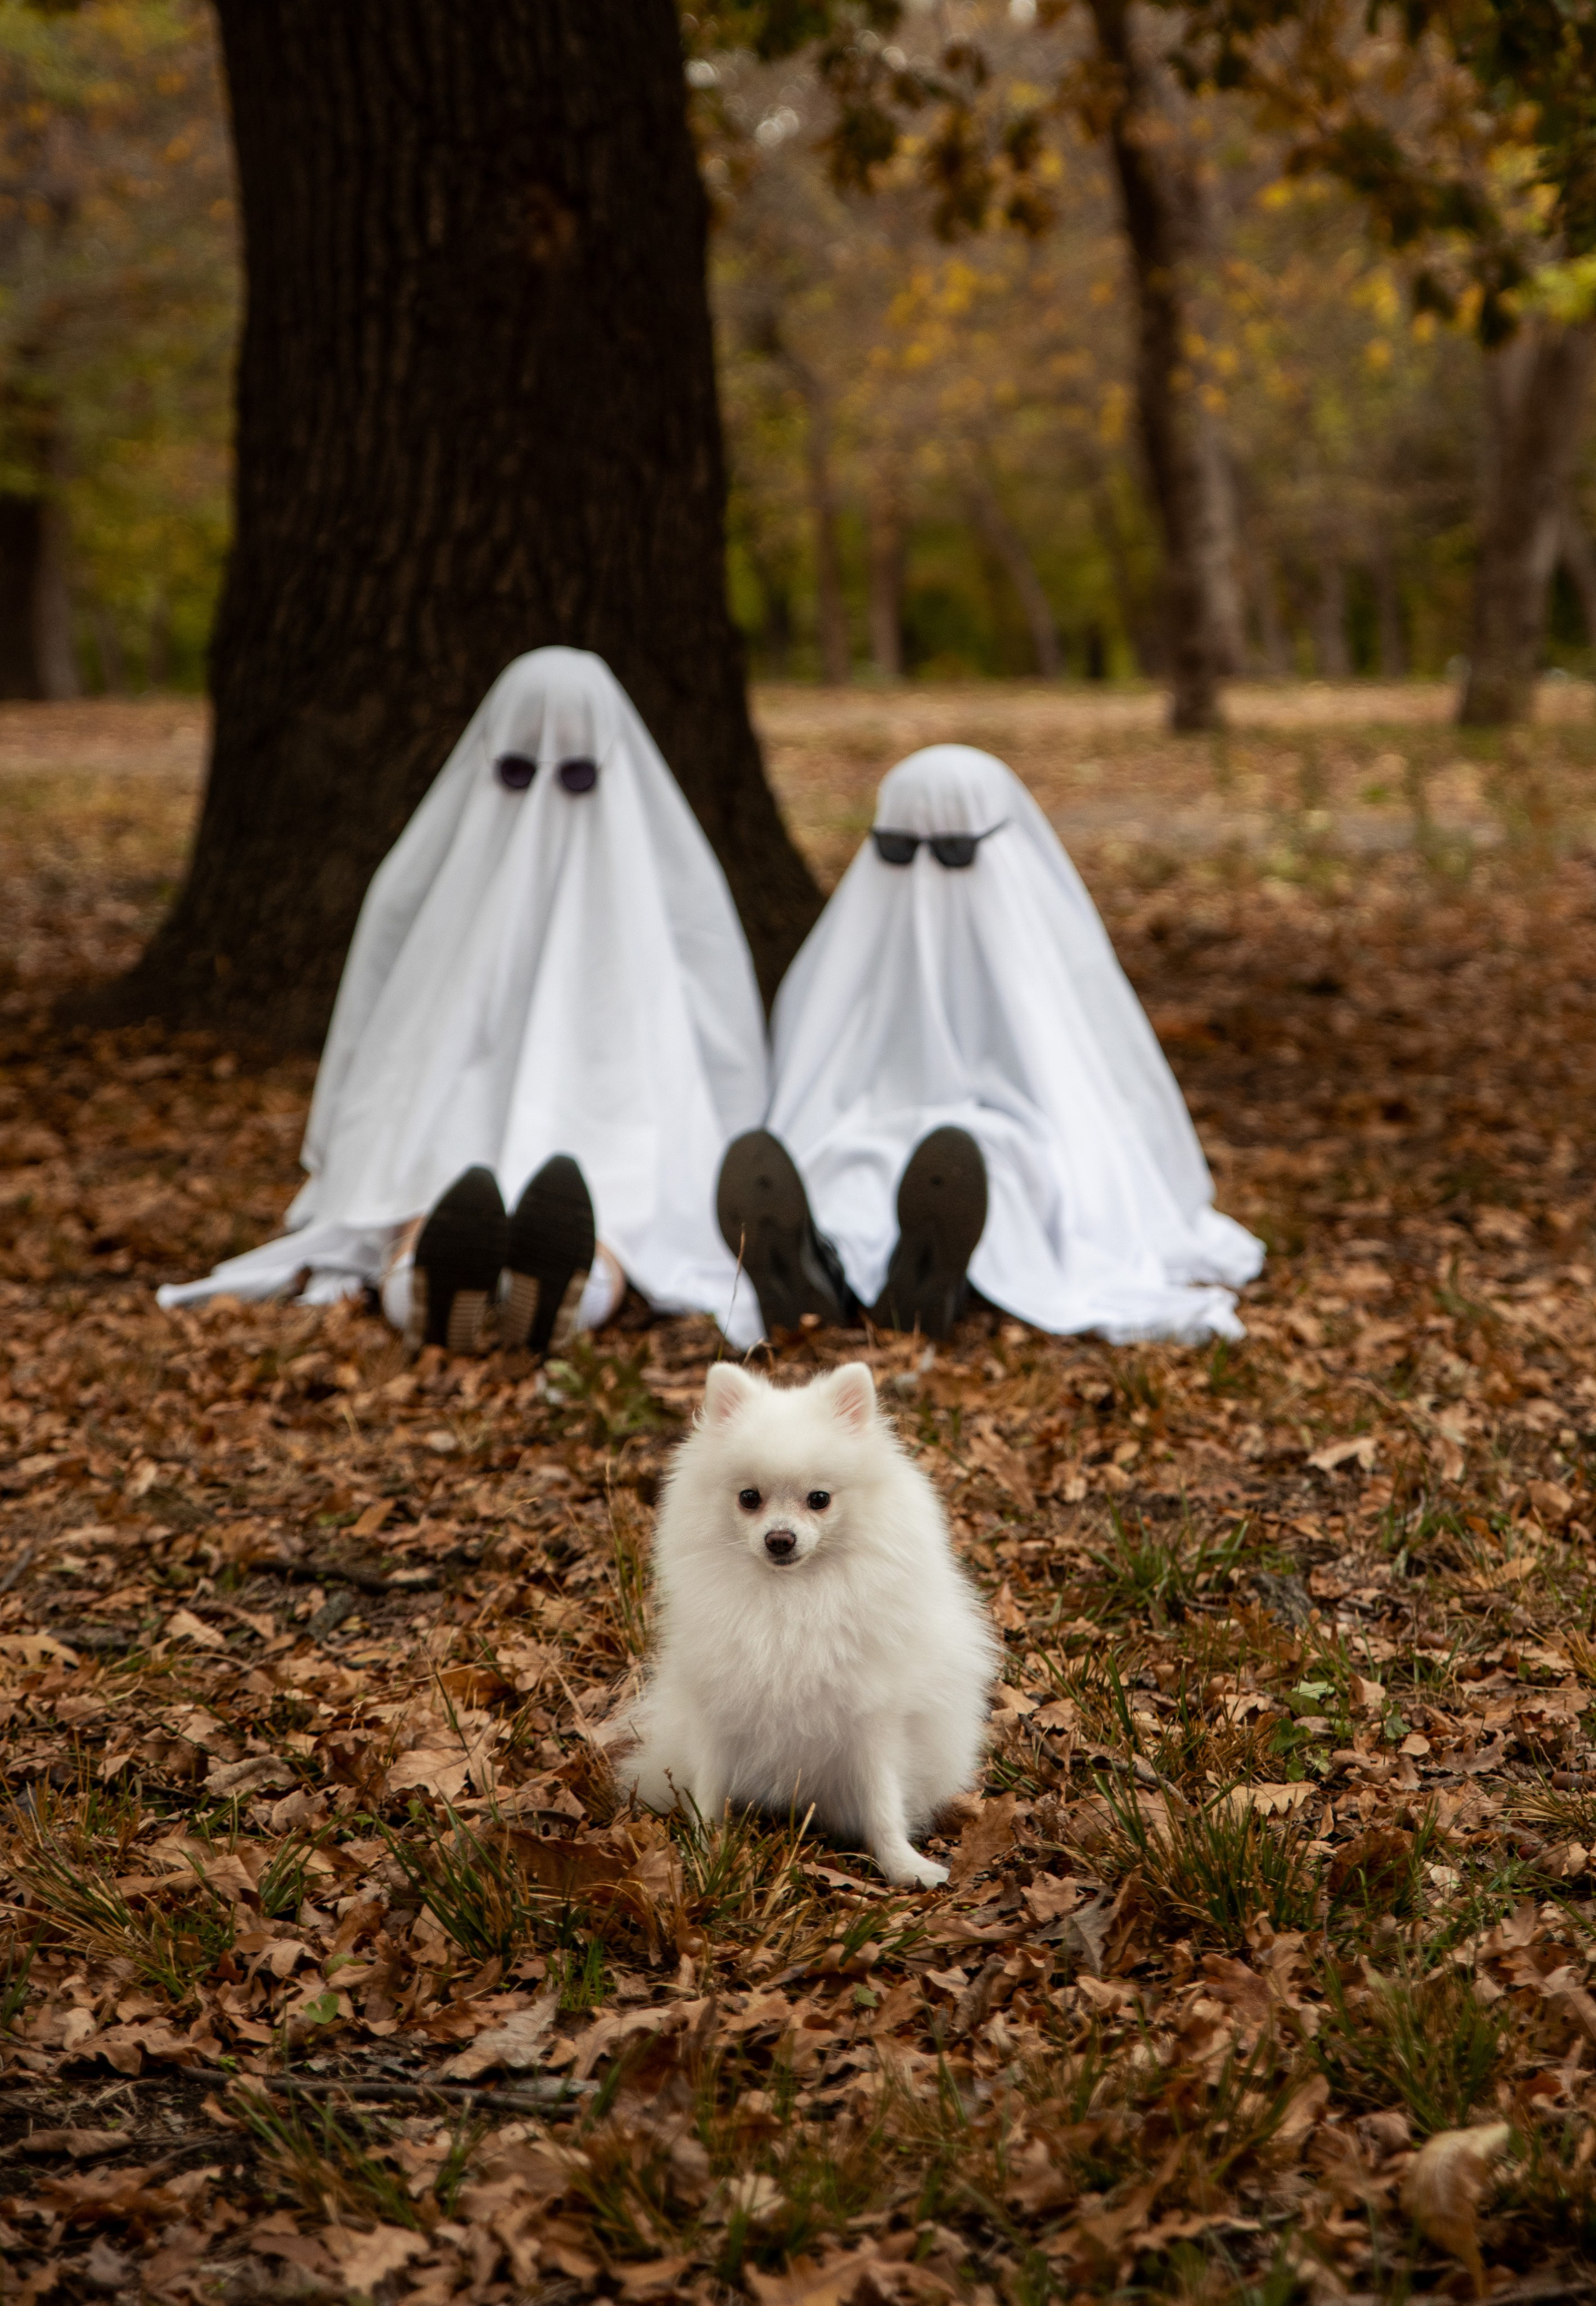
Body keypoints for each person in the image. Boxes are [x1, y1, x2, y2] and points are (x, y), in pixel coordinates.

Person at [158, 648, 769, 1353]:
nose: (542, 801)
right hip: (566, 1098)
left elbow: (371, 996)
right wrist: (728, 1123)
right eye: (519, 772)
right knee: (587, 1205)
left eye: (573, 776)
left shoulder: (441, 863)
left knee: (517, 1193)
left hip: (509, 1098)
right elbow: (718, 1000)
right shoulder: (663, 871)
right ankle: (520, 1284)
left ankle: (445, 1281)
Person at [717, 742, 1262, 1344]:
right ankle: (866, 1274)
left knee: (897, 1173)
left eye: (950, 855)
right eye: (901, 852)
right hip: (952, 1139)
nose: (924, 876)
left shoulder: (839, 954)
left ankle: (847, 1272)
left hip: (943, 1140)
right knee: (925, 1177)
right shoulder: (1043, 948)